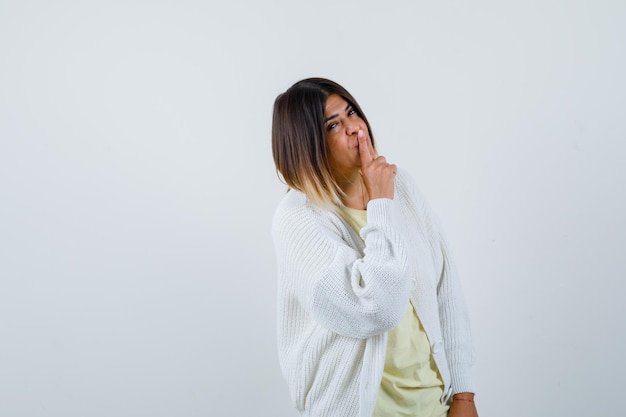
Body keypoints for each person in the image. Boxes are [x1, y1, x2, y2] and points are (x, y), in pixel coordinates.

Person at [271, 78, 478, 417]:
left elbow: (446, 289)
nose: (355, 128)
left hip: (435, 406)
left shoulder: (402, 187)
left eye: (351, 112)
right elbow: (376, 310)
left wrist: (464, 395)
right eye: (333, 125)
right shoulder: (298, 219)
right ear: (306, 145)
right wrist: (380, 203)